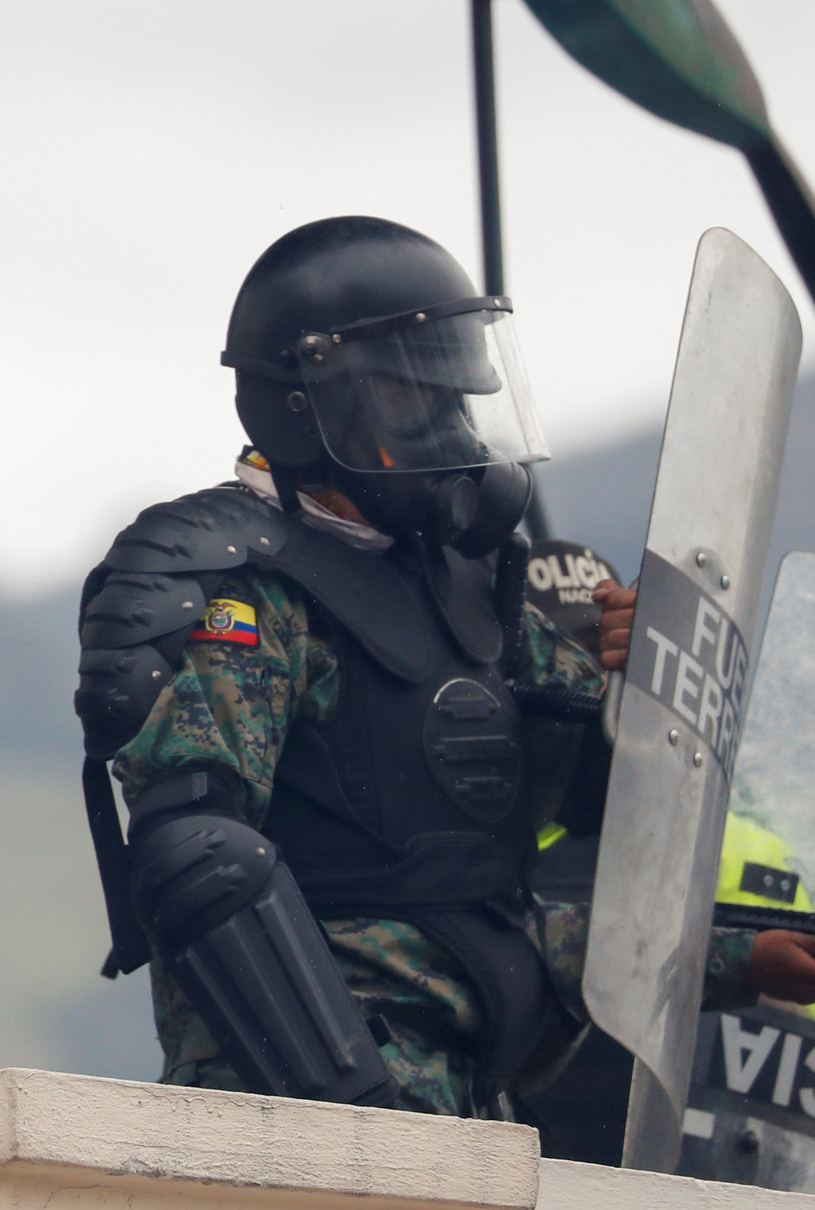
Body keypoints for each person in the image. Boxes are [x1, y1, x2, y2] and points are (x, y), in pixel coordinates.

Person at [74, 216, 815, 1117]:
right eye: (406, 391)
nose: (445, 420)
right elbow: (199, 865)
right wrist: (355, 1110)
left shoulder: (467, 585)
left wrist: (648, 678)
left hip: (467, 1113)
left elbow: (550, 851)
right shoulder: (238, 577)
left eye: (453, 392)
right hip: (292, 1122)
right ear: (302, 402)